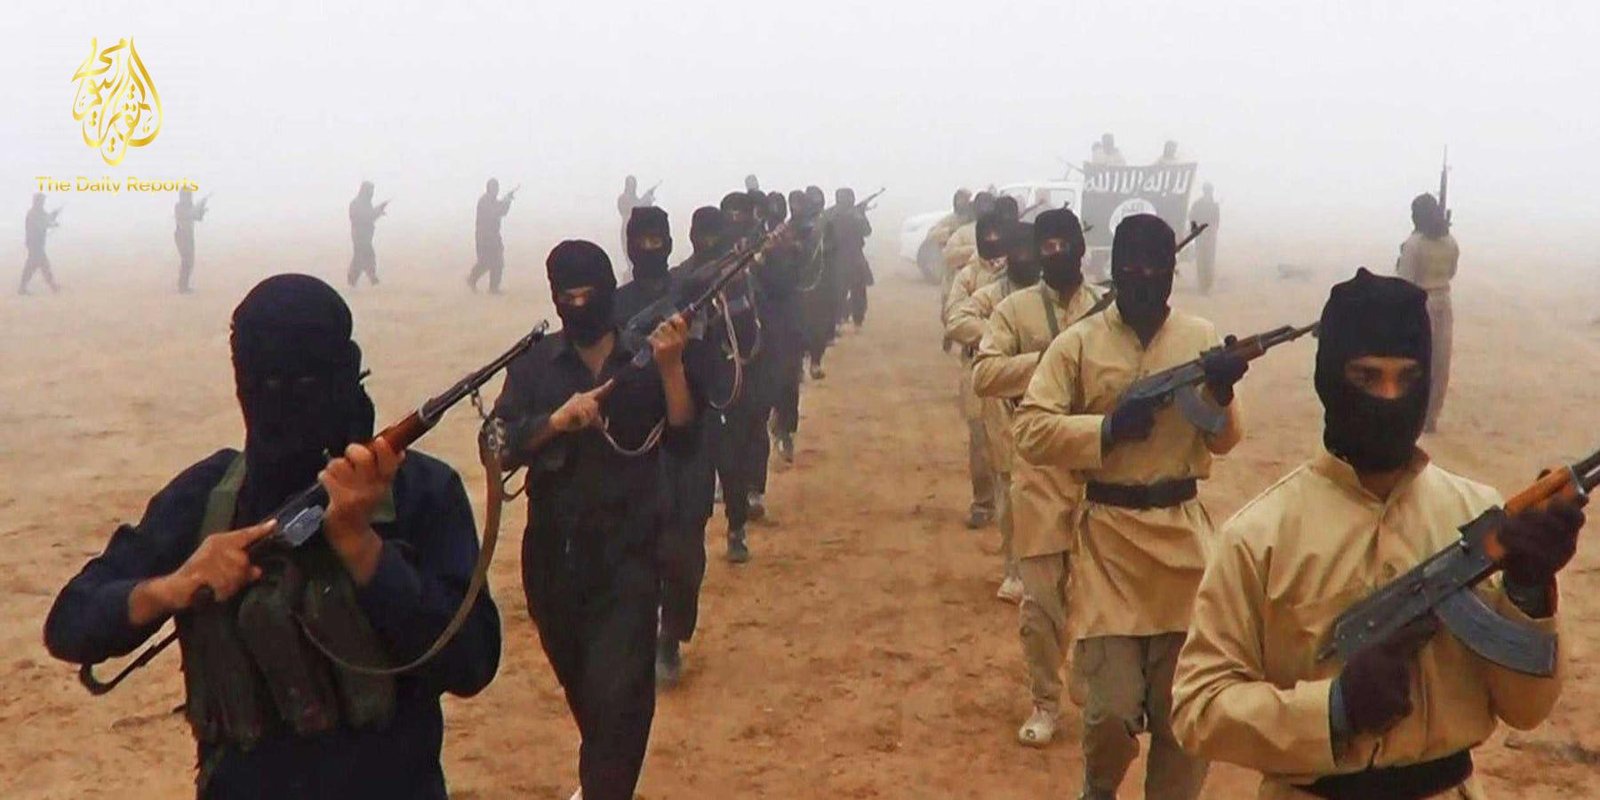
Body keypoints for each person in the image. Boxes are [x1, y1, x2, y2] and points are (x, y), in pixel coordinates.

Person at [43, 274, 502, 799]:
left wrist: (364, 549)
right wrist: (174, 586)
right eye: (263, 384)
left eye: (306, 383)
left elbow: (472, 662)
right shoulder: (209, 497)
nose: (281, 401)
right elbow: (70, 623)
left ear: (347, 374)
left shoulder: (419, 491)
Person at [1171, 268, 1584, 800]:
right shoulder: (1260, 536)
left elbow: (1526, 711)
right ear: (1329, 380)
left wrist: (1528, 592)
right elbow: (1198, 708)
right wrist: (1333, 709)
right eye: (1367, 378)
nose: (1389, 398)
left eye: (1407, 380)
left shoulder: (1476, 512)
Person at [1014, 214, 1250, 800]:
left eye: (1156, 267)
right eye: (1131, 267)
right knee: (1110, 714)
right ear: (1114, 271)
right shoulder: (1079, 344)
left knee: (1183, 717)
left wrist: (1222, 390)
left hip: (1183, 547)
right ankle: (1098, 789)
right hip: (1109, 547)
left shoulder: (1198, 337)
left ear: (1173, 271)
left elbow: (1223, 440)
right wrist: (1107, 429)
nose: (1144, 277)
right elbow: (1031, 429)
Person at [490, 240, 700, 800]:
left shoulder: (644, 358)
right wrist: (554, 422)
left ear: (609, 291)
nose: (579, 306)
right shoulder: (534, 364)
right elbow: (497, 446)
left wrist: (672, 368)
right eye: (568, 297)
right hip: (554, 562)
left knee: (623, 693)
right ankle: (601, 778)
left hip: (631, 558)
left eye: (590, 294)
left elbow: (684, 440)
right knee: (591, 696)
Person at [970, 208, 1103, 748]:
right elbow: (984, 374)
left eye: (1063, 244)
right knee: (1041, 601)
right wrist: (1045, 358)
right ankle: (1045, 700)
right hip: (1040, 468)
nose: (1054, 254)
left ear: (1080, 248)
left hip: (1100, 468)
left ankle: (1093, 691)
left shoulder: (1107, 309)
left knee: (1098, 598)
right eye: (1045, 245)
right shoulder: (1014, 310)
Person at [612, 207, 718, 689]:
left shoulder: (693, 297)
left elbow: (711, 370)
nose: (650, 250)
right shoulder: (615, 304)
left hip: (687, 439)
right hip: (632, 443)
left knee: (683, 550)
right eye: (642, 242)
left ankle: (670, 635)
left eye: (658, 241)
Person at [949, 220, 1036, 602]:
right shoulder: (990, 292)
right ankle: (1015, 570)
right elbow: (956, 319)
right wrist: (1002, 338)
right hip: (1000, 396)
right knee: (1009, 485)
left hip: (1051, 399)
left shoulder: (1057, 296)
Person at [945, 211, 1010, 529]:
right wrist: (996, 336)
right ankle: (983, 501)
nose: (993, 242)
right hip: (978, 365)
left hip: (1017, 368)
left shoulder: (1021, 272)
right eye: (988, 236)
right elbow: (955, 317)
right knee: (981, 437)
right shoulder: (968, 275)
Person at [1395, 192, 1458, 433]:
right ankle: (1431, 417)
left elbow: (1405, 281)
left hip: (1420, 304)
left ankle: (1414, 414)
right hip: (1443, 300)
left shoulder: (1414, 244)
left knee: (1418, 361)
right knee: (1440, 363)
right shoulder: (1450, 242)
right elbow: (1451, 272)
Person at [800, 189, 841, 380]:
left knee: (819, 326)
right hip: (799, 285)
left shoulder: (827, 223)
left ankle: (815, 362)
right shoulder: (794, 225)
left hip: (820, 283)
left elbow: (833, 249)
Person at [827, 187, 874, 330]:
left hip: (839, 258)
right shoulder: (853, 215)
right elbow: (867, 231)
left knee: (841, 292)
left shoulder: (830, 213)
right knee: (856, 292)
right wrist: (861, 214)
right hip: (852, 257)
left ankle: (841, 320)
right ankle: (855, 320)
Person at [468, 178, 516, 294]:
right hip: (485, 238)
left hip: (493, 237)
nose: (497, 190)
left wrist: (508, 200)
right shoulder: (484, 201)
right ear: (489, 189)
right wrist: (506, 201)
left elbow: (502, 211)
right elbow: (496, 212)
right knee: (485, 262)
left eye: (497, 188)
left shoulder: (492, 201)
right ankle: (472, 280)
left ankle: (493, 289)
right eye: (495, 188)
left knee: (497, 263)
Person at [348, 182, 388, 288]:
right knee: (364, 257)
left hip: (364, 236)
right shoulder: (356, 204)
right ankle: (370, 279)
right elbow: (366, 217)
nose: (372, 193)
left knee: (362, 258)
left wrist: (379, 210)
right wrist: (378, 210)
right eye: (370, 190)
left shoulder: (364, 203)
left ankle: (360, 280)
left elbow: (369, 216)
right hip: (360, 237)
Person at [615, 176, 658, 271]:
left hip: (637, 230)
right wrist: (645, 200)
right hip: (626, 228)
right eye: (630, 184)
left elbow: (641, 209)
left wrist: (648, 199)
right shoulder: (622, 198)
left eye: (633, 185)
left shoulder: (635, 199)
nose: (632, 187)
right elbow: (632, 209)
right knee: (628, 254)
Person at [21, 193, 61, 294]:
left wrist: (54, 214)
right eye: (42, 201)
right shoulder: (33, 214)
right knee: (43, 265)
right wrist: (52, 224)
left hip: (37, 244)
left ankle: (23, 287)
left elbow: (47, 219)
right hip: (34, 244)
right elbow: (42, 224)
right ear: (37, 202)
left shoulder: (39, 212)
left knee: (33, 266)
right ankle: (53, 286)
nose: (43, 203)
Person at [175, 189, 209, 294]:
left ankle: (184, 285)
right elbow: (188, 215)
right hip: (182, 235)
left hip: (188, 235)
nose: (189, 197)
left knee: (189, 261)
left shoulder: (189, 206)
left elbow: (198, 218)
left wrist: (202, 209)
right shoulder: (179, 206)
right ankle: (182, 286)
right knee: (186, 260)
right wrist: (198, 208)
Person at [1189, 183, 1220, 295]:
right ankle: (1203, 286)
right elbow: (1192, 218)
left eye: (1209, 191)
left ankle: (1207, 285)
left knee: (1209, 262)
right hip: (1200, 237)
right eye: (1207, 191)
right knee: (1201, 261)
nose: (1208, 193)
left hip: (1210, 237)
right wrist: (1194, 230)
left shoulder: (1214, 206)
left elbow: (1216, 222)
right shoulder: (1197, 205)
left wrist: (1212, 232)